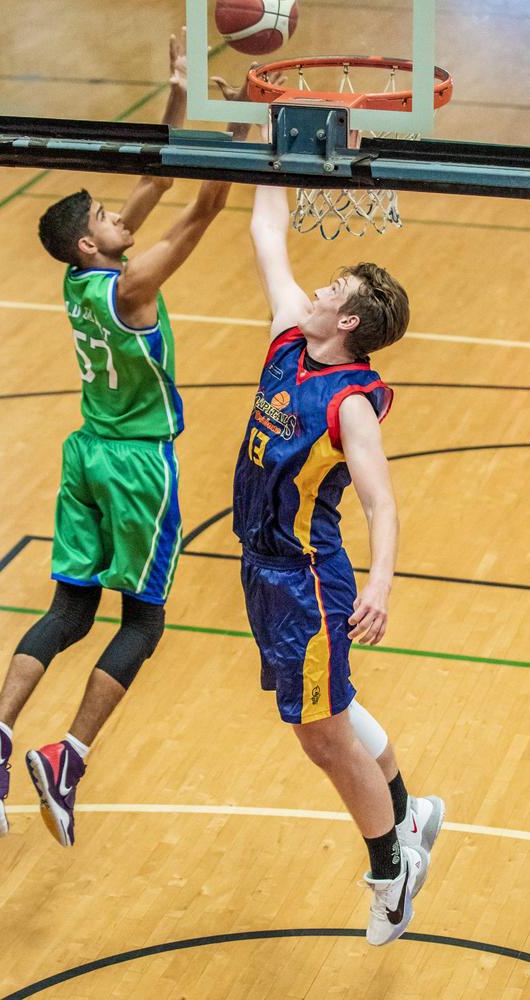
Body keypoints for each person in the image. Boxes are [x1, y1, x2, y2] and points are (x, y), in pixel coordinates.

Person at [0, 32, 251, 848]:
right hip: (135, 464)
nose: (118, 217)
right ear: (93, 244)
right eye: (104, 218)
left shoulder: (77, 276)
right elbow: (201, 208)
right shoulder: (134, 285)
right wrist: (243, 143)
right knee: (143, 623)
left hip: (83, 452)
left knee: (68, 609)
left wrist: (183, 95)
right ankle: (68, 756)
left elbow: (155, 181)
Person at [233, 182, 444, 946]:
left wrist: (379, 585)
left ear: (347, 321)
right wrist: (272, 148)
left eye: (332, 289)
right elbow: (266, 228)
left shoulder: (350, 402)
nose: (314, 289)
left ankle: (393, 874)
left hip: (307, 580)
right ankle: (408, 809)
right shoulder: (291, 333)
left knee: (319, 733)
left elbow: (380, 504)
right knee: (332, 702)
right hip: (262, 566)